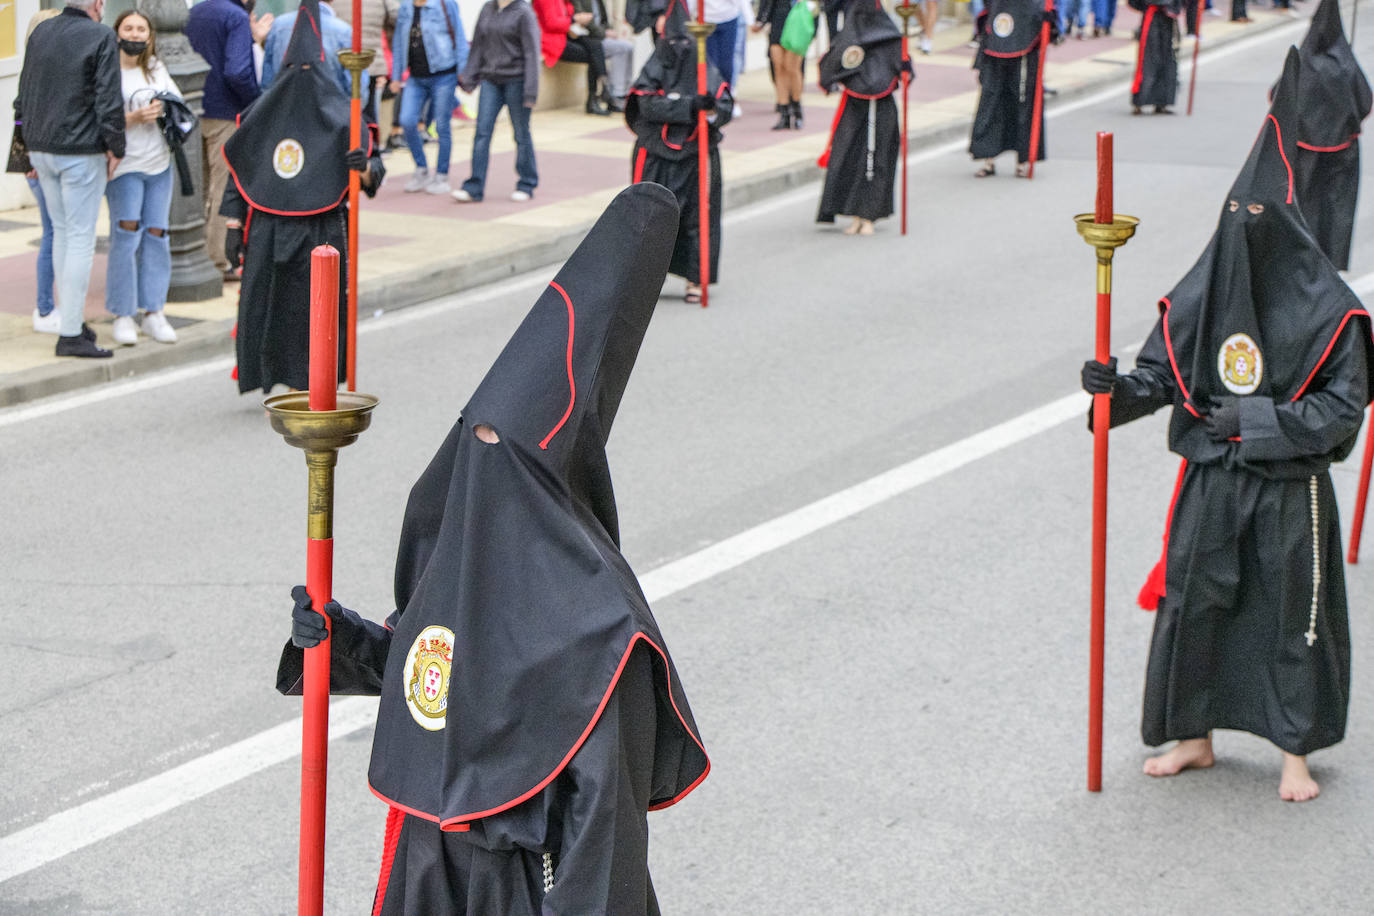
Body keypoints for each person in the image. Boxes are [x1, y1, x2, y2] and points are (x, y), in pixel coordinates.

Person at [279, 183, 710, 913]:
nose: (474, 473)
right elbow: (431, 669)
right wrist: (336, 640)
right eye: (469, 444)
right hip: (424, 869)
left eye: (498, 454)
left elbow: (602, 853)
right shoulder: (464, 569)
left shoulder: (605, 640)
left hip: (521, 889)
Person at [1080, 50, 1374, 803]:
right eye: (1235, 222)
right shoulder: (1204, 294)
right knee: (1196, 602)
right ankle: (1193, 738)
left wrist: (1251, 419)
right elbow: (1163, 373)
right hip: (1212, 479)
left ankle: (1296, 754)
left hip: (1289, 486)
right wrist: (1115, 390)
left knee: (1289, 613)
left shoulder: (1333, 314)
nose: (1245, 234)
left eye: (1259, 223)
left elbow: (1340, 410)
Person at [221, 0, 385, 394]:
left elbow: (372, 177)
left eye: (308, 67)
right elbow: (243, 167)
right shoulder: (261, 112)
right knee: (269, 306)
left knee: (315, 308)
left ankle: (315, 380)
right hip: (268, 228)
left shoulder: (346, 115)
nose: (302, 74)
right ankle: (274, 377)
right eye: (295, 67)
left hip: (321, 227)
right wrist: (232, 223)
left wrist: (360, 164)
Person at [15, 0, 125, 359]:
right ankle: (71, 332)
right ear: (97, 4)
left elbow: (24, 92)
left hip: (42, 147)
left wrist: (25, 146)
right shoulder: (101, 36)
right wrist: (116, 147)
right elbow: (108, 99)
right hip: (80, 150)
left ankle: (70, 323)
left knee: (62, 234)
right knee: (79, 238)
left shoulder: (41, 32)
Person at [627, 0, 733, 303]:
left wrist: (709, 108)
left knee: (698, 216)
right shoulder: (655, 64)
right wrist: (687, 106)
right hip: (656, 152)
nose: (679, 46)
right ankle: (642, 280)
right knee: (649, 218)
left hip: (695, 152)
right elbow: (646, 104)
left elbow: (724, 105)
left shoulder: (704, 67)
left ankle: (696, 279)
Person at [105, 9, 182, 347]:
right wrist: (133, 117)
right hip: (124, 166)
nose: (135, 34)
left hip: (159, 164)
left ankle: (154, 311)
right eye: (129, 28)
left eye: (141, 29)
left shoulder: (156, 69)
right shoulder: (107, 72)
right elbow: (100, 120)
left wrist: (165, 110)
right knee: (125, 236)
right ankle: (123, 313)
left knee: (157, 234)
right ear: (117, 31)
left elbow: (177, 102)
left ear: (149, 36)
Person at [815, 0, 912, 235]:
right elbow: (834, 60)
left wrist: (906, 66)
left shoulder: (891, 38)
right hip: (854, 106)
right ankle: (854, 212)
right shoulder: (850, 34)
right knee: (850, 157)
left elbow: (902, 66)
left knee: (875, 159)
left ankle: (869, 214)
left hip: (881, 106)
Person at [1291, 0, 1371, 270]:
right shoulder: (1346, 64)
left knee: (1304, 203)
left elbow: (1278, 96)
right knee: (1335, 207)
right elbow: (1365, 102)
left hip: (1303, 149)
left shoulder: (1302, 62)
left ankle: (1301, 257)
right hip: (1342, 151)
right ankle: (1330, 261)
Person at [187, 0, 262, 282]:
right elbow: (237, 70)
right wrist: (254, 102)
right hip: (226, 111)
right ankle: (217, 259)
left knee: (198, 188)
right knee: (221, 188)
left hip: (193, 108)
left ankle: (195, 254)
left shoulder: (194, 12)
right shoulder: (236, 17)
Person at [452, 0, 542, 202]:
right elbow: (478, 45)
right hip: (490, 80)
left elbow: (532, 53)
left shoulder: (524, 13)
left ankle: (526, 183)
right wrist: (469, 77)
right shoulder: (488, 8)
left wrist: (531, 92)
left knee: (521, 133)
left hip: (517, 81)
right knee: (482, 133)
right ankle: (474, 186)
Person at [969, 0, 1057, 178]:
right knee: (991, 101)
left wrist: (1049, 19)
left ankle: (1022, 160)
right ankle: (988, 158)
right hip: (994, 44)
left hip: (1026, 47)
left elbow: (1043, 12)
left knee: (1023, 103)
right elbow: (985, 11)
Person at [391, 0, 469, 195]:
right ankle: (421, 168)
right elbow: (399, 42)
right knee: (407, 120)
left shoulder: (445, 4)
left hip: (444, 74)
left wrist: (463, 70)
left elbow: (459, 36)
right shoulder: (406, 7)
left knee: (442, 125)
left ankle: (442, 175)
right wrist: (396, 75)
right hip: (416, 77)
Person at [19, 8, 60, 336]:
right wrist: (28, 161)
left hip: (37, 161)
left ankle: (50, 306)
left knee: (57, 234)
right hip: (40, 163)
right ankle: (45, 307)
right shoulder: (39, 73)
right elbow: (21, 117)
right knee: (54, 234)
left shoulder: (33, 69)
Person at [262, 0, 369, 97]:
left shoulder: (279, 26)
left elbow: (267, 82)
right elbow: (356, 87)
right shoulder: (343, 32)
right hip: (330, 112)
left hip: (283, 109)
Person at [533, 0, 612, 114]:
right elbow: (552, 24)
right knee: (594, 55)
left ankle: (602, 91)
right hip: (552, 41)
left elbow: (568, 12)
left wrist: (575, 17)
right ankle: (596, 96)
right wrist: (574, 19)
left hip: (566, 35)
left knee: (596, 45)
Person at [572, 0, 637, 111]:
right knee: (612, 50)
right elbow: (583, 20)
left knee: (627, 47)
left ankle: (623, 92)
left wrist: (609, 31)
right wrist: (604, 33)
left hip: (599, 38)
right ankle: (615, 93)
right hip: (589, 37)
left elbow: (604, 20)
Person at [754, 0, 806, 129]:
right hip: (777, 19)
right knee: (778, 67)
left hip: (796, 19)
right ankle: (784, 112)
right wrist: (761, 20)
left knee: (792, 67)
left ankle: (797, 108)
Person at [1129, 0, 1180, 115]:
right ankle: (1140, 101)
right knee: (1149, 59)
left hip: (1168, 16)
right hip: (1152, 14)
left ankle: (1162, 101)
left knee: (1167, 58)